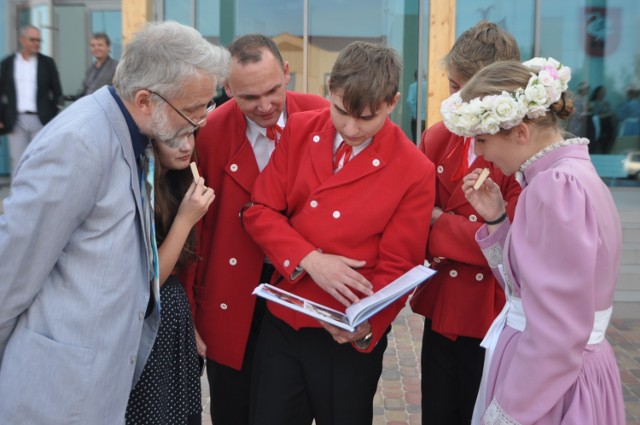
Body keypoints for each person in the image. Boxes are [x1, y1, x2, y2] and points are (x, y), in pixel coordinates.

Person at [0, 21, 228, 424]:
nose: (200, 123)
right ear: (145, 100)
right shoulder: (79, 143)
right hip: (58, 392)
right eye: (192, 110)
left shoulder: (132, 132)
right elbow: (11, 273)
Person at [241, 41, 436, 424]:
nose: (350, 128)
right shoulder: (298, 129)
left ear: (392, 102)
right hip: (286, 316)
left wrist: (367, 326)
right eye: (341, 112)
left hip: (345, 331)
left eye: (366, 118)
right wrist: (311, 260)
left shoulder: (414, 168)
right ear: (330, 89)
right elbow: (259, 211)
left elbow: (400, 264)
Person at [443, 58, 625, 424]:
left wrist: (508, 413)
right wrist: (497, 218)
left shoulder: (555, 188)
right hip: (564, 370)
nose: (479, 153)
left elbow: (556, 331)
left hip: (551, 385)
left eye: (482, 139)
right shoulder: (567, 176)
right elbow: (528, 286)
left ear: (521, 132)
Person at [181, 34, 328, 425]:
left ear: (286, 72)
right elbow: (196, 231)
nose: (264, 106)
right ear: (226, 89)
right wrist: (192, 314)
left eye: (273, 90)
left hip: (297, 289)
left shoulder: (324, 117)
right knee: (233, 408)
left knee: (290, 410)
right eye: (248, 97)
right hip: (231, 293)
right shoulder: (208, 132)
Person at [409, 20, 522, 425]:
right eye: (454, 87)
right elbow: (413, 222)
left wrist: (440, 223)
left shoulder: (520, 148)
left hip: (494, 311)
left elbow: (513, 244)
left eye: (467, 91)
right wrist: (464, 230)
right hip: (441, 305)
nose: (457, 100)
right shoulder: (439, 138)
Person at [125, 127, 221, 422]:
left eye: (190, 135)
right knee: (152, 411)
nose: (186, 146)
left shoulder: (180, 180)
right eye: (172, 139)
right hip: (148, 318)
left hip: (173, 315)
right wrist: (185, 219)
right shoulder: (139, 188)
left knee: (179, 411)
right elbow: (151, 280)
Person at [0, 24, 63, 176]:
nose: (36, 43)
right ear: (22, 40)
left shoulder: (47, 63)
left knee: (40, 160)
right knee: (18, 161)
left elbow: (57, 92)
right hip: (16, 121)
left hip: (41, 120)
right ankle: (19, 199)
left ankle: (39, 198)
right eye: (32, 40)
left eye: (39, 40)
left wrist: (53, 116)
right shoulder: (8, 63)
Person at [67, 32, 119, 100]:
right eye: (93, 46)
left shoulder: (116, 66)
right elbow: (85, 90)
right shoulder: (91, 69)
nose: (96, 48)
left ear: (108, 47)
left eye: (100, 45)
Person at [588, 85, 615, 154]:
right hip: (598, 125)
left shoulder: (606, 103)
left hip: (607, 127)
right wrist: (607, 114)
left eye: (604, 92)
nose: (603, 93)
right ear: (597, 93)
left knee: (606, 142)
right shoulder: (593, 103)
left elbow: (611, 113)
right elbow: (595, 116)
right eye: (601, 92)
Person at [406, 69, 426, 142]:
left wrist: (416, 114)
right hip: (427, 118)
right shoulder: (429, 86)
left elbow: (409, 101)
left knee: (416, 141)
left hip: (417, 119)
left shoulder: (413, 86)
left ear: (415, 76)